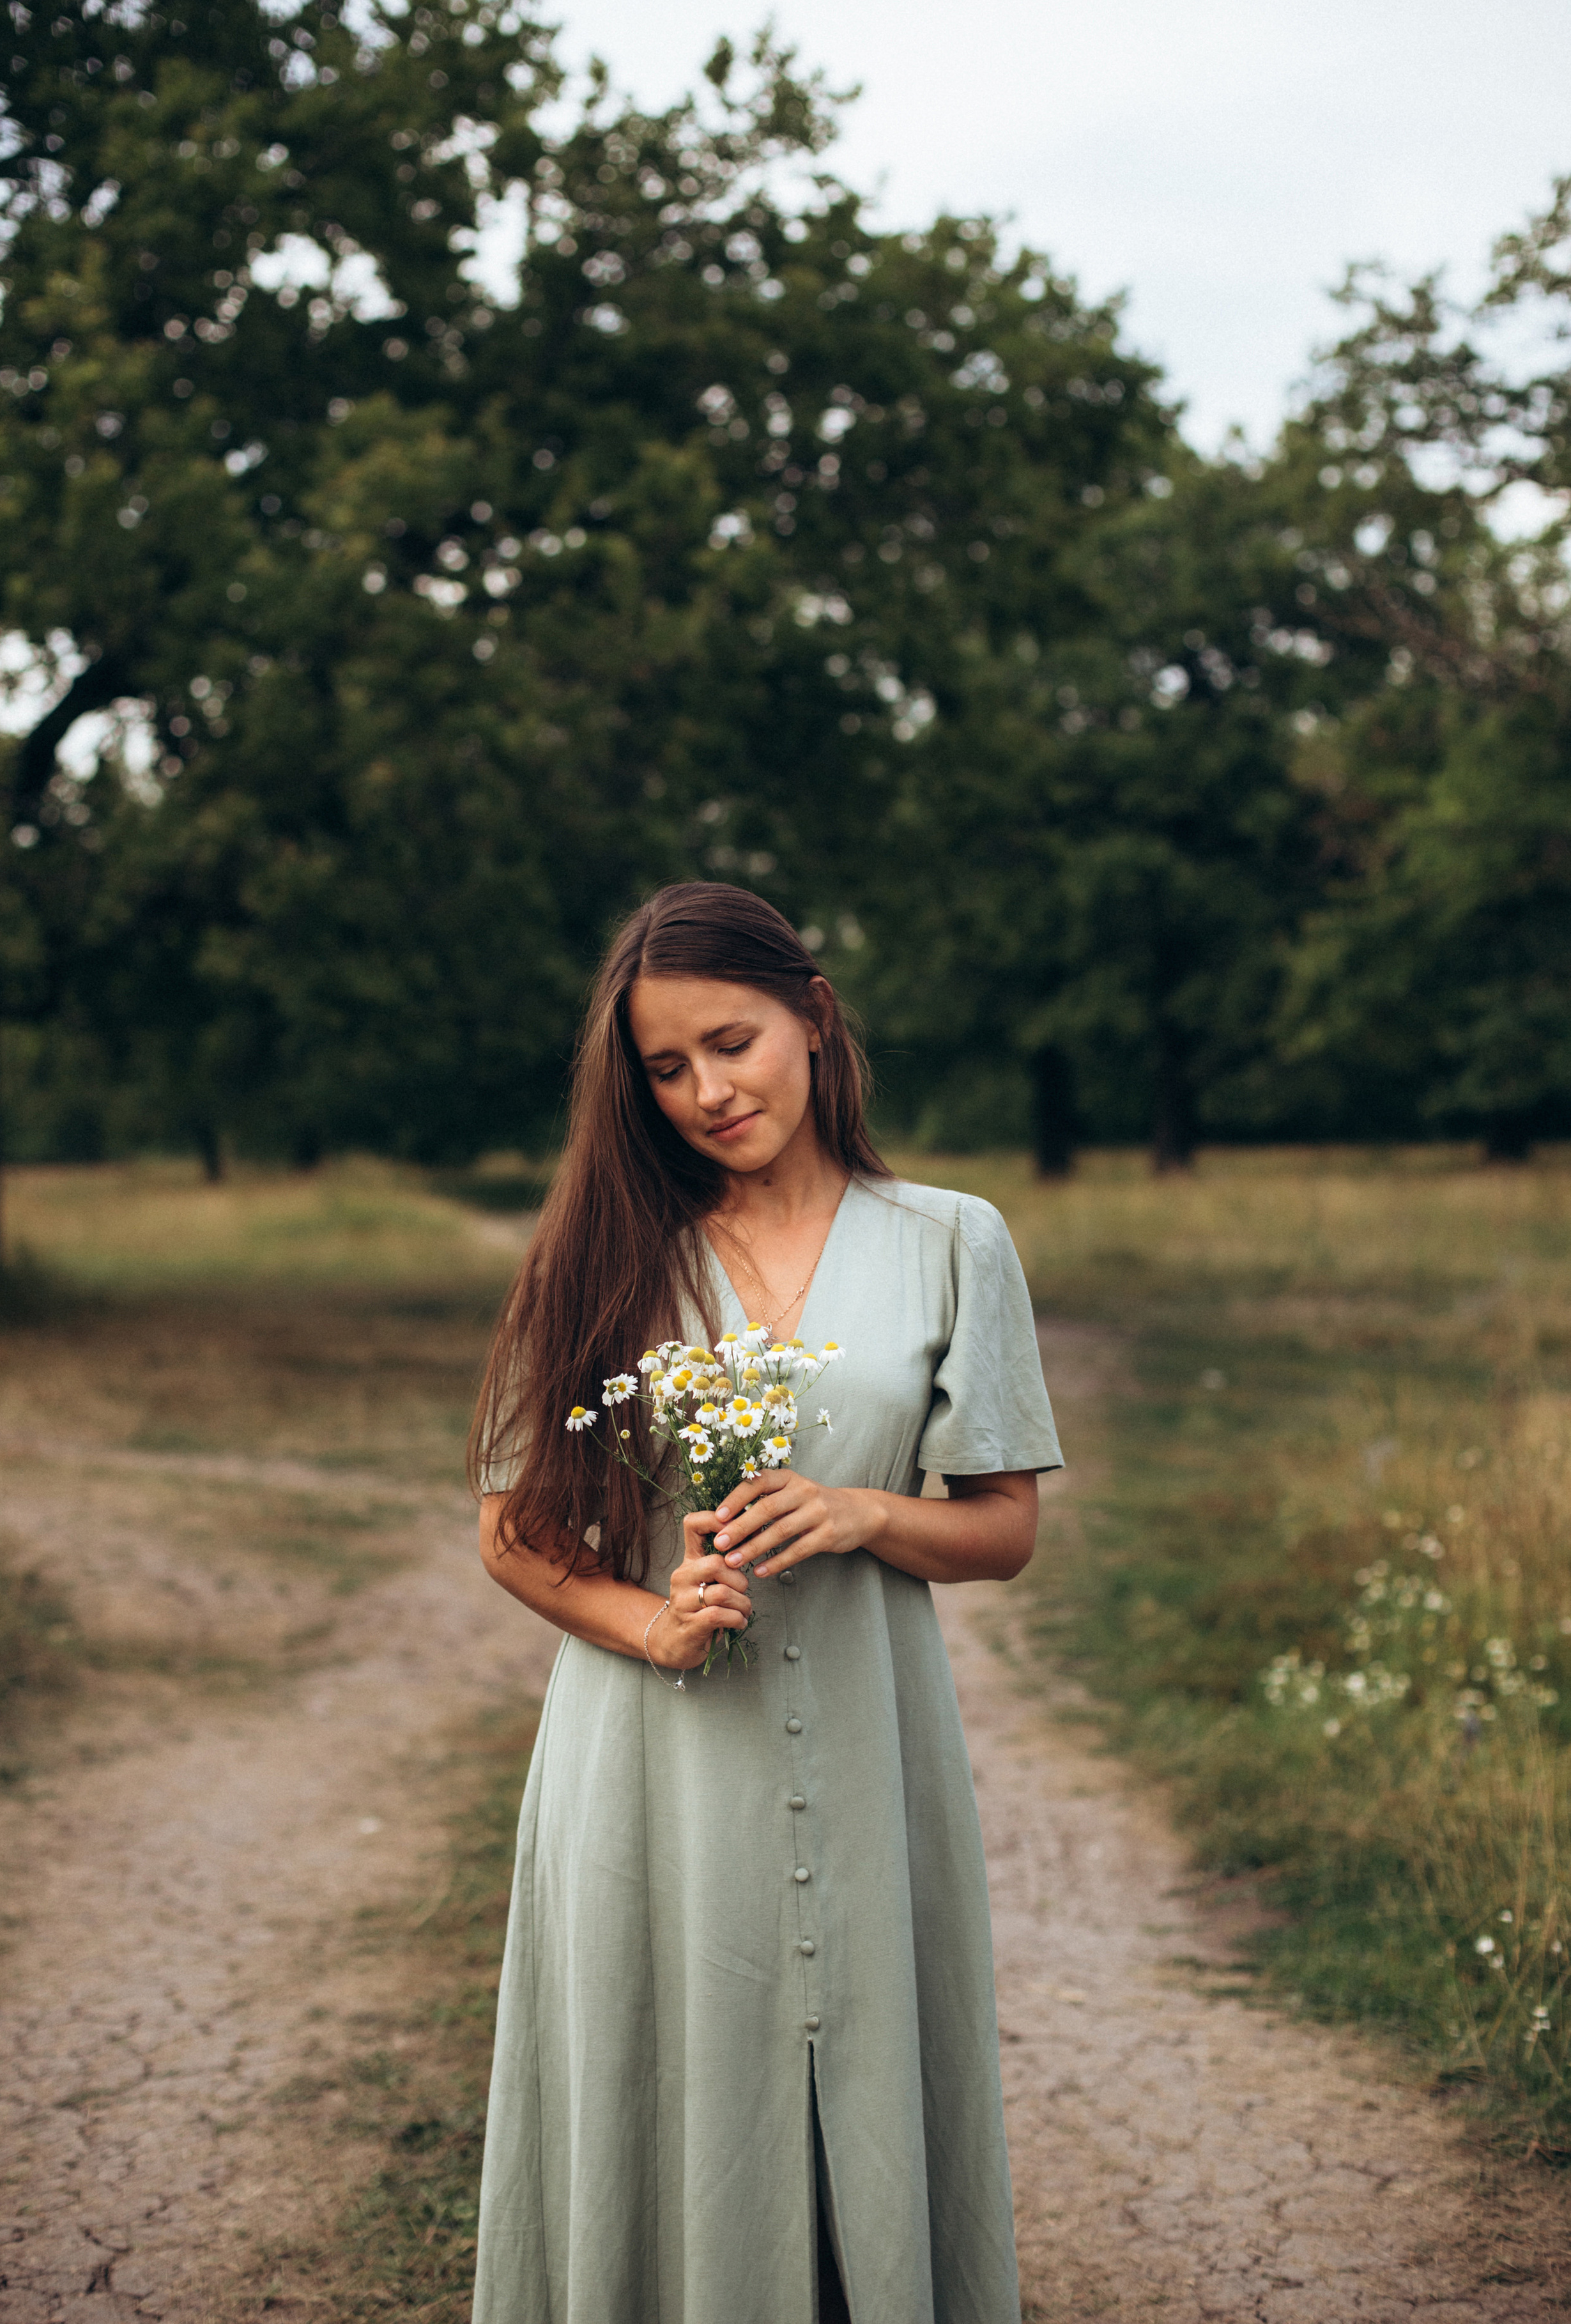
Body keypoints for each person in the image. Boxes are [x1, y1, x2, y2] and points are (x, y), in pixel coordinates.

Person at [469, 881, 1062, 2324]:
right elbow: (511, 1532)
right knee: (662, 2075)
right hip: (650, 1762)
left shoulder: (949, 1241)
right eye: (664, 1070)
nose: (705, 1092)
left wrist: (860, 1512)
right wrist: (651, 1624)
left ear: (811, 1014)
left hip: (871, 1743)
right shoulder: (604, 1251)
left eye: (729, 1043)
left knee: (864, 2065)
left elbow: (1003, 1533)